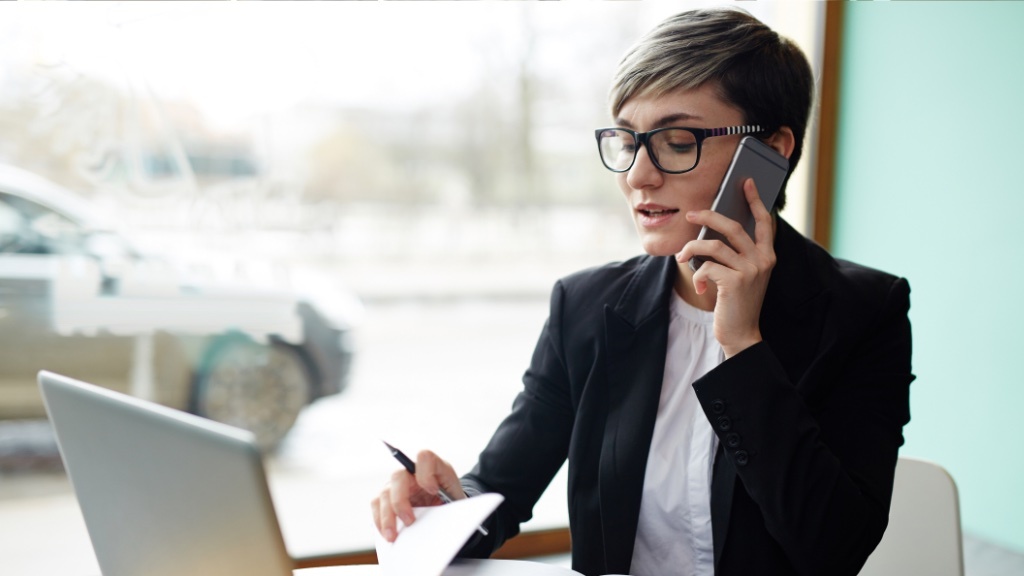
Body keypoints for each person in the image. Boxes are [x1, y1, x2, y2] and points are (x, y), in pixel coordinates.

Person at [371, 7, 913, 576]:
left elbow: (835, 549)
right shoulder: (584, 308)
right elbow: (499, 492)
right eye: (628, 140)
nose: (637, 175)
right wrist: (442, 510)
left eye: (677, 142)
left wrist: (743, 346)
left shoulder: (863, 313)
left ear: (773, 152)